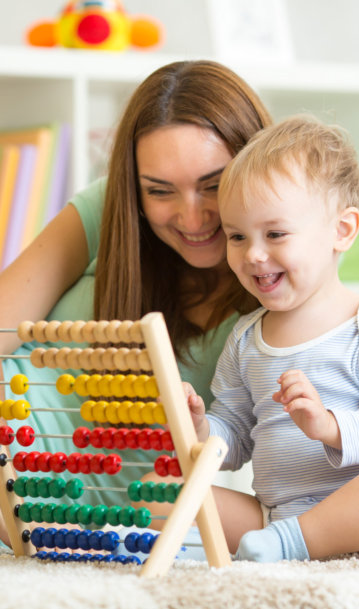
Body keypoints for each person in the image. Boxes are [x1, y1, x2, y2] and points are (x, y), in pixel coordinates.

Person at [0, 59, 272, 547]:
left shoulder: (277, 284)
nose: (192, 217)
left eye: (213, 184)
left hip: (95, 521)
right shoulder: (109, 207)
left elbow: (304, 472)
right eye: (160, 191)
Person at [186, 114, 359, 561]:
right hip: (273, 516)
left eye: (276, 233)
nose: (254, 254)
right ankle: (285, 542)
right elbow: (237, 435)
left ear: (341, 231)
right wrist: (202, 429)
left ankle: (292, 546)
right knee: (160, 488)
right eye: (237, 236)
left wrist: (330, 427)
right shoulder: (245, 338)